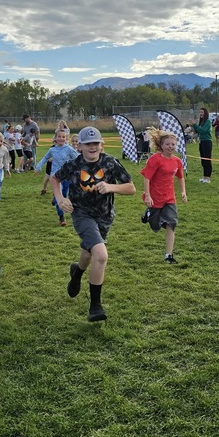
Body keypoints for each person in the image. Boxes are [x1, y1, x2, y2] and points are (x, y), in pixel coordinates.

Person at [52, 127, 135, 322]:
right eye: (88, 144)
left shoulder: (110, 162)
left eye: (96, 143)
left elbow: (130, 187)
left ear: (101, 145)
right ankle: (95, 306)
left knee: (89, 252)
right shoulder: (73, 165)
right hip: (81, 214)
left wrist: (111, 186)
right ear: (79, 146)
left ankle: (77, 273)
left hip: (105, 215)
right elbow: (55, 179)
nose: (92, 147)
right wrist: (60, 198)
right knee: (101, 254)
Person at [140, 128, 187, 264]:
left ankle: (168, 256)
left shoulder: (177, 161)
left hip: (169, 198)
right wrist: (148, 196)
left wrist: (183, 192)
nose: (170, 147)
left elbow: (180, 177)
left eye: (173, 144)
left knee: (171, 224)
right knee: (155, 226)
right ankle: (148, 214)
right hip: (155, 198)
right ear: (161, 145)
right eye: (167, 144)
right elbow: (147, 178)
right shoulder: (155, 159)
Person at [34, 129, 79, 226]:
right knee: (61, 198)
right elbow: (45, 158)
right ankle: (61, 217)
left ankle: (55, 198)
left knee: (63, 194)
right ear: (55, 138)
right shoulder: (52, 150)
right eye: (59, 136)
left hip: (67, 177)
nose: (61, 138)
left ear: (66, 138)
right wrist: (38, 166)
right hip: (55, 177)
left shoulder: (69, 149)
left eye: (63, 137)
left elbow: (78, 158)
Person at [193, 108, 213, 183]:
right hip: (201, 142)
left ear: (205, 113)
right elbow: (198, 131)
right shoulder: (201, 122)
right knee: (203, 160)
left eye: (202, 112)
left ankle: (208, 178)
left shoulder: (208, 122)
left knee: (207, 160)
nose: (200, 113)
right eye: (200, 112)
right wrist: (194, 126)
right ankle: (204, 177)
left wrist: (195, 125)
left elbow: (203, 130)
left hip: (207, 142)